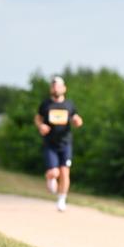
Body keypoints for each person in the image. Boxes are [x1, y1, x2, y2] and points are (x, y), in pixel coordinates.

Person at [35, 76, 83, 212]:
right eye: (53, 86)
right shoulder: (45, 104)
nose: (55, 88)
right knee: (54, 172)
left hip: (65, 143)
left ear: (64, 88)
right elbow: (38, 118)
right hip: (50, 144)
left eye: (58, 86)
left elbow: (76, 118)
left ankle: (62, 199)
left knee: (64, 173)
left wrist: (77, 121)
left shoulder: (69, 104)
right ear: (51, 88)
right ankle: (50, 178)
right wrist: (41, 126)